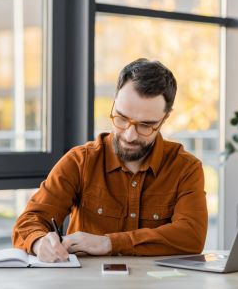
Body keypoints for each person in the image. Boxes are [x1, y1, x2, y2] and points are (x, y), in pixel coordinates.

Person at [12, 58, 208, 262]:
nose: (130, 135)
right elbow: (28, 222)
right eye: (122, 118)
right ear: (114, 103)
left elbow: (191, 237)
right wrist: (38, 243)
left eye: (145, 125)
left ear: (165, 119)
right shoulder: (80, 161)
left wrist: (109, 243)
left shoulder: (186, 168)